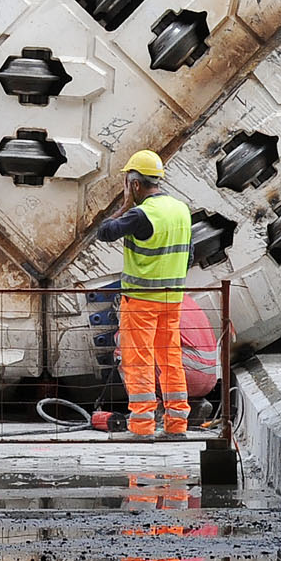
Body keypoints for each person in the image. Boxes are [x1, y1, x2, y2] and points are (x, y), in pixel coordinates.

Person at [95, 149, 193, 436]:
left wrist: (124, 205)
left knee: (138, 361)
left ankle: (142, 426)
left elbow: (104, 231)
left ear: (135, 184)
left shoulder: (140, 215)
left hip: (141, 302)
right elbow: (188, 255)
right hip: (172, 300)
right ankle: (177, 424)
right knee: (171, 360)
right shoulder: (181, 210)